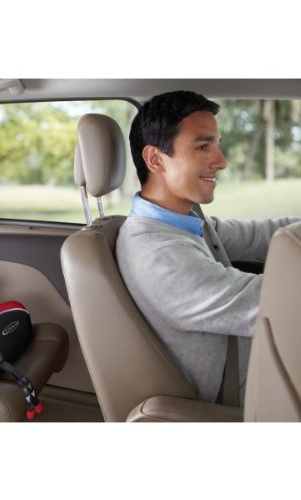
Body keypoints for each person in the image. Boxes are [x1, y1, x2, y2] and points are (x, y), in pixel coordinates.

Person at [116, 90, 300, 405]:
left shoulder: (183, 222)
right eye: (203, 146)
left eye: (217, 144)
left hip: (258, 358)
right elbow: (279, 303)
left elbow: (261, 234)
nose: (221, 161)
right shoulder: (158, 254)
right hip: (247, 391)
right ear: (155, 159)